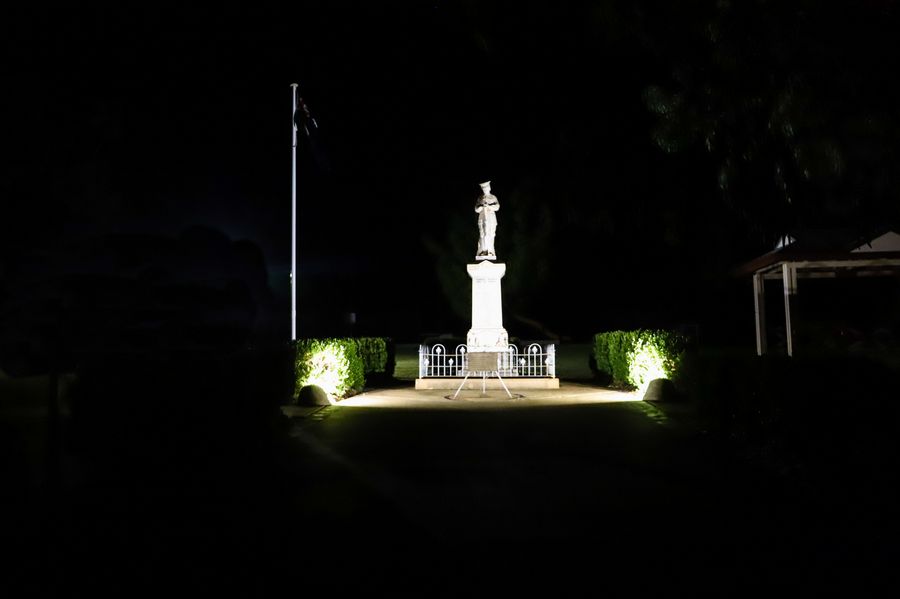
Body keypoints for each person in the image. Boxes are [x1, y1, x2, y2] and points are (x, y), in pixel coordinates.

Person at [475, 181, 499, 259]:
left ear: (489, 188)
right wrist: (481, 207)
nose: (485, 190)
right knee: (483, 234)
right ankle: (483, 250)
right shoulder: (480, 198)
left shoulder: (493, 197)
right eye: (483, 189)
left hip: (491, 217)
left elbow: (497, 207)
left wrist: (488, 206)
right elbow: (476, 209)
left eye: (486, 189)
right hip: (482, 217)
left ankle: (490, 251)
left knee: (490, 234)